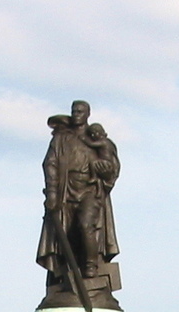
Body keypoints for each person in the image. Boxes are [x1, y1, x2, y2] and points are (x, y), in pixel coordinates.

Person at [37, 100, 120, 281]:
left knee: (85, 225)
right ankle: (66, 275)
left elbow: (112, 167)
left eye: (80, 111)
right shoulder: (61, 139)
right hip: (65, 192)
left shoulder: (95, 139)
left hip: (89, 191)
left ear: (87, 114)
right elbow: (50, 163)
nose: (77, 114)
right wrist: (52, 192)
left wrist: (107, 171)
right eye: (74, 111)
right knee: (66, 235)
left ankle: (91, 267)